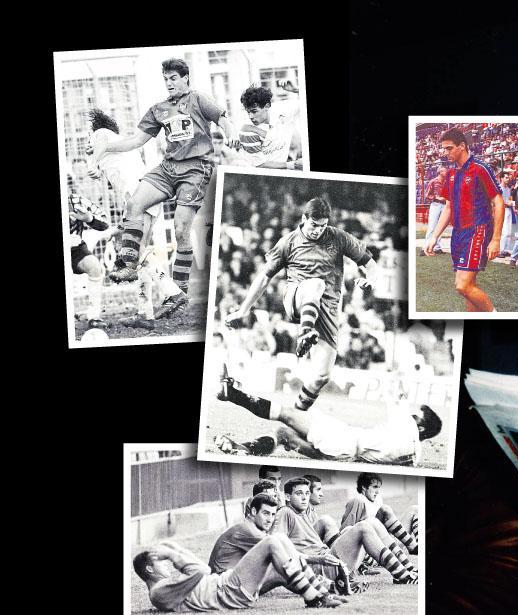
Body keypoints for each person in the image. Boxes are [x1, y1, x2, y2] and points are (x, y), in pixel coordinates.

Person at [91, 58, 237, 291]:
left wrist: (231, 134)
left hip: (196, 170)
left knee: (180, 229)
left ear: (185, 77)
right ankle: (128, 264)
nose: (169, 83)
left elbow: (223, 120)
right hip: (168, 168)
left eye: (173, 78)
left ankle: (179, 288)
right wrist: (105, 147)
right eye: (166, 79)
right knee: (134, 204)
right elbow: (136, 140)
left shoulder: (198, 99)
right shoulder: (159, 108)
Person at [224, 196, 377, 411]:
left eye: (323, 226)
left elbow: (371, 265)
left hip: (329, 309)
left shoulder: (339, 238)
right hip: (297, 298)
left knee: (322, 376)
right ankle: (305, 332)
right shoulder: (289, 242)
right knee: (315, 285)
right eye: (314, 225)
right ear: (304, 218)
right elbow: (264, 277)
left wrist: (371, 280)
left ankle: (296, 414)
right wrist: (242, 310)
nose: (318, 231)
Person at [84, 109, 186, 323]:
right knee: (139, 254)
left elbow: (100, 142)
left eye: (89, 134)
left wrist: (92, 163)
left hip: (140, 196)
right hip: (144, 197)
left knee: (135, 253)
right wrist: (95, 161)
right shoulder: (114, 148)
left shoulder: (101, 133)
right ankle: (144, 313)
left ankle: (172, 293)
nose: (89, 138)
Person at [215, 374, 442, 466]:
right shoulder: (414, 456)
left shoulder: (406, 424)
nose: (412, 415)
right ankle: (244, 450)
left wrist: (400, 382)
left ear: (420, 426)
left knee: (287, 414)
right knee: (283, 434)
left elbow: (399, 394)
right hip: (344, 455)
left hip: (343, 439)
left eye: (417, 415)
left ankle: (233, 394)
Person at [133, 534, 347, 611]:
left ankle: (320, 592)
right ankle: (313, 598)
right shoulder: (158, 592)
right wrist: (172, 555)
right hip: (227, 591)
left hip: (227, 586)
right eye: (161, 563)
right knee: (272, 542)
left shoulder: (165, 587)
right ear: (150, 569)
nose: (167, 566)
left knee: (280, 539)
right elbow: (201, 571)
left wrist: (172, 549)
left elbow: (200, 570)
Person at [272, 477, 417, 586]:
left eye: (306, 493)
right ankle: (403, 576)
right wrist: (314, 560)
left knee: (371, 522)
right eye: (299, 494)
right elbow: (277, 547)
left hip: (332, 562)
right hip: (322, 567)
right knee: (363, 527)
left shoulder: (302, 513)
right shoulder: (285, 512)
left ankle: (408, 569)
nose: (304, 498)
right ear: (287, 497)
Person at [423, 128, 504, 311]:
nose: (445, 153)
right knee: (468, 289)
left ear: (462, 146)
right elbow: (448, 207)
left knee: (462, 285)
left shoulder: (480, 168)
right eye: (443, 149)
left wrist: (496, 239)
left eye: (449, 148)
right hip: (458, 233)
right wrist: (434, 237)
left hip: (477, 229)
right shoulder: (451, 174)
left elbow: (498, 202)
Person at [66, 192, 111, 330]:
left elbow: (105, 223)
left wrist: (89, 218)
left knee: (95, 266)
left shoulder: (76, 200)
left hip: (74, 249)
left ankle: (94, 317)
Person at [209, 493, 278, 574]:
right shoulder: (247, 530)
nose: (270, 520)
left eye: (273, 515)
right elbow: (277, 547)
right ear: (254, 511)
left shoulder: (246, 525)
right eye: (266, 513)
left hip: (229, 578)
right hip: (222, 582)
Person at [422, 166, 448, 255]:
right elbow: (426, 195)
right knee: (432, 226)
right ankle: (425, 247)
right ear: (439, 172)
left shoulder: (447, 182)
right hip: (436, 204)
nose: (446, 172)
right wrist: (436, 197)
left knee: (440, 226)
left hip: (445, 205)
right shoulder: (433, 182)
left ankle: (437, 247)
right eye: (444, 171)